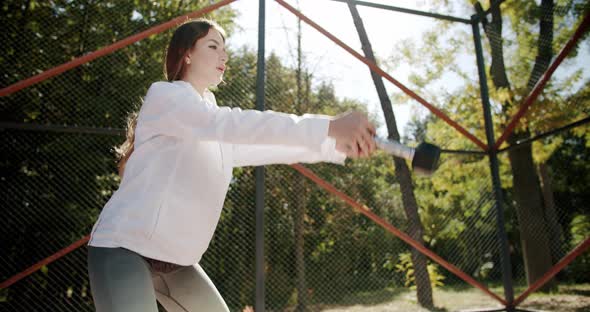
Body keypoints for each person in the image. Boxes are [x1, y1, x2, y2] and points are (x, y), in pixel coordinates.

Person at [87, 18, 377, 312]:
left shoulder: (209, 120)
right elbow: (232, 124)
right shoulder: (167, 96)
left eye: (224, 49)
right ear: (187, 54)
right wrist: (329, 126)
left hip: (175, 261)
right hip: (124, 248)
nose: (223, 55)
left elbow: (265, 144)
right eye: (213, 46)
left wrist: (335, 144)